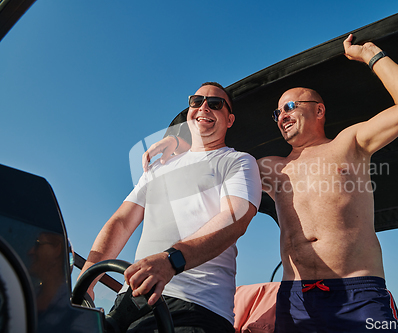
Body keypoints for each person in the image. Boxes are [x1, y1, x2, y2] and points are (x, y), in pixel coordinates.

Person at [144, 35, 398, 332]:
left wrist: (369, 54)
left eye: (290, 106)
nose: (282, 116)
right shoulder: (269, 167)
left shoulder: (350, 143)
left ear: (318, 110)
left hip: (357, 292)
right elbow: (215, 162)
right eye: (277, 112)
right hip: (296, 299)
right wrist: (181, 139)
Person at [79, 82, 262, 333]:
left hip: (196, 306)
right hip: (129, 299)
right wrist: (86, 281)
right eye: (196, 101)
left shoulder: (237, 161)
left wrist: (171, 259)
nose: (203, 107)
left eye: (215, 104)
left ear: (229, 120)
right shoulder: (158, 166)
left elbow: (235, 217)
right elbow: (121, 221)